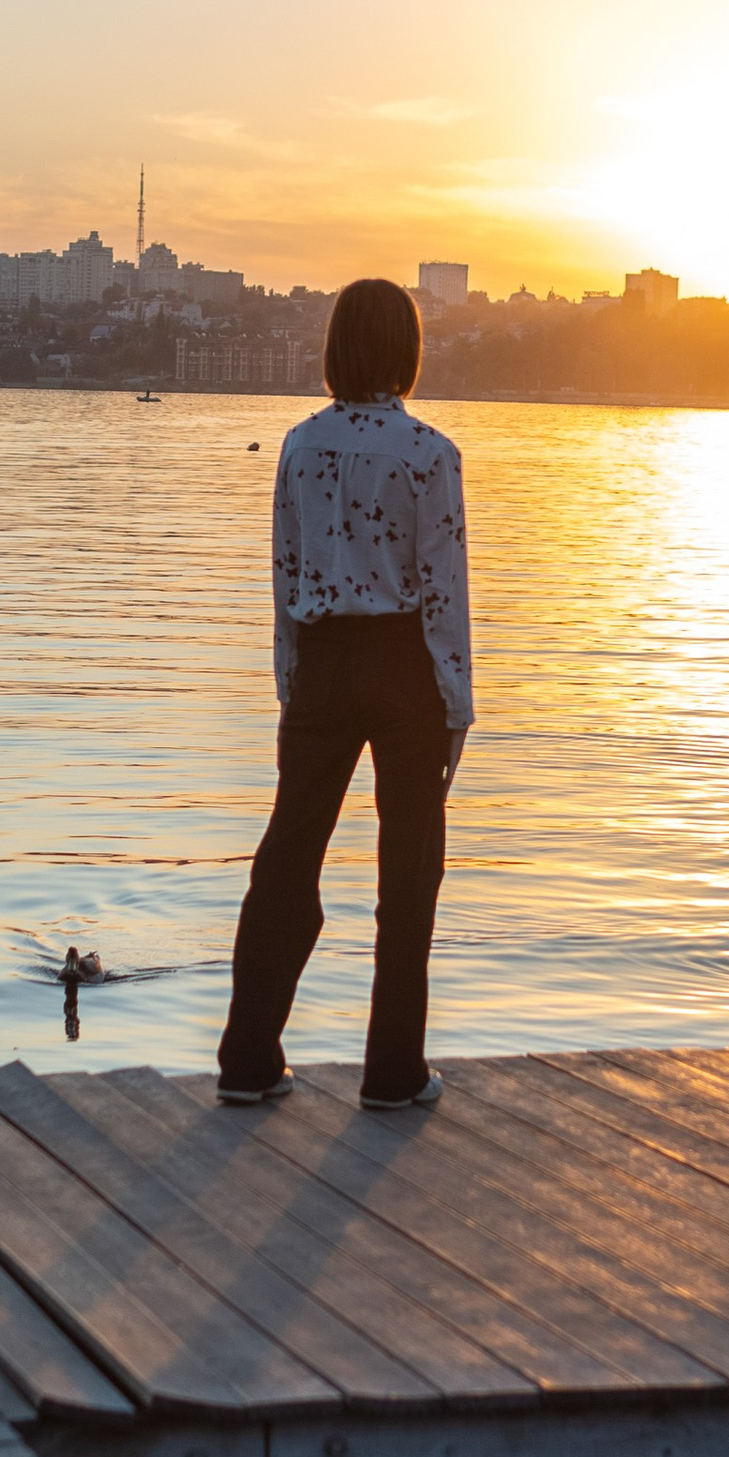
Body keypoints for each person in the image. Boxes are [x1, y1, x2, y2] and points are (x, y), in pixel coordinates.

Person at [217, 278, 471, 1116]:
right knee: (409, 874)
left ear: (334, 348)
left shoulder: (300, 446)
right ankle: (392, 1072)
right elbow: (444, 590)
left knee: (287, 860)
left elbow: (285, 572)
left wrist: (291, 683)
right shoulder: (430, 453)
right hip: (405, 666)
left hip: (322, 660)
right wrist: (456, 706)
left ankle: (248, 1060)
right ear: (406, 350)